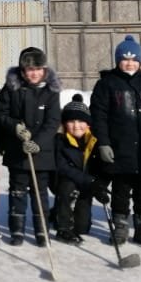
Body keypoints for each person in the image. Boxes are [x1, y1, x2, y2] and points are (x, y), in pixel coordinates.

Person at [90, 35, 141, 246]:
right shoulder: (107, 84)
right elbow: (98, 117)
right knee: (121, 191)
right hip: (120, 148)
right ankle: (121, 228)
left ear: (140, 61)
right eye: (125, 59)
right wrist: (104, 143)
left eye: (134, 59)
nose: (129, 63)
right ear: (117, 60)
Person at [0, 46, 60, 247]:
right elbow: (1, 114)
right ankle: (17, 229)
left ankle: (42, 231)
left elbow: (52, 122)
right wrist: (15, 127)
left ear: (43, 69)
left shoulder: (51, 91)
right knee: (17, 191)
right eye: (28, 69)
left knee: (39, 192)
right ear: (22, 71)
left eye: (37, 69)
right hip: (17, 150)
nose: (33, 73)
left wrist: (37, 143)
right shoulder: (11, 88)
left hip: (41, 153)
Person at [52, 94, 108, 244]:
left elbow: (100, 168)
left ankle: (59, 213)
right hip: (63, 182)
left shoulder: (94, 141)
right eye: (71, 121)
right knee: (68, 186)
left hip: (86, 185)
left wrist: (100, 186)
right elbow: (62, 167)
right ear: (64, 124)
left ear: (88, 123)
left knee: (82, 228)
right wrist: (90, 181)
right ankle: (63, 227)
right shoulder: (60, 141)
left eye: (81, 121)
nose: (76, 125)